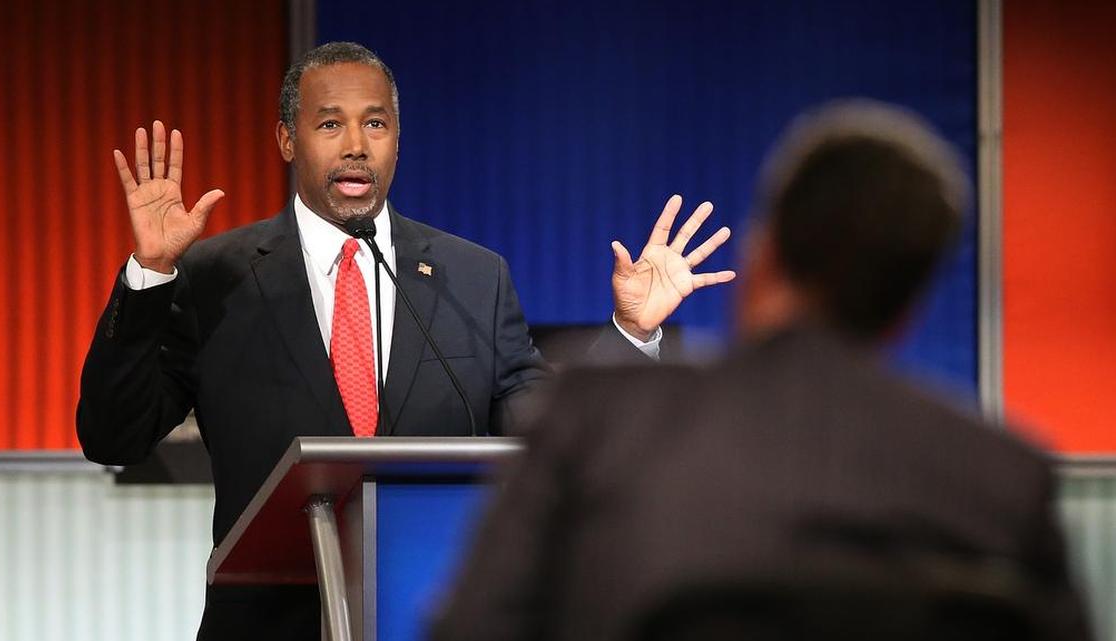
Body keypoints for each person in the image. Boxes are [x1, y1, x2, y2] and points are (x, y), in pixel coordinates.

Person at [76, 42, 734, 640]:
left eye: (376, 123)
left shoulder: (474, 278)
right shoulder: (215, 277)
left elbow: (548, 440)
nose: (355, 144)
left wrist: (632, 333)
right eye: (329, 123)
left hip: (431, 618)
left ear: (397, 139)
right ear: (286, 138)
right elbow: (114, 434)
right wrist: (150, 275)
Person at [429, 101, 1093, 641]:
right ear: (906, 308)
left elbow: (473, 628)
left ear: (763, 256)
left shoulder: (595, 422)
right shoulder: (1007, 480)